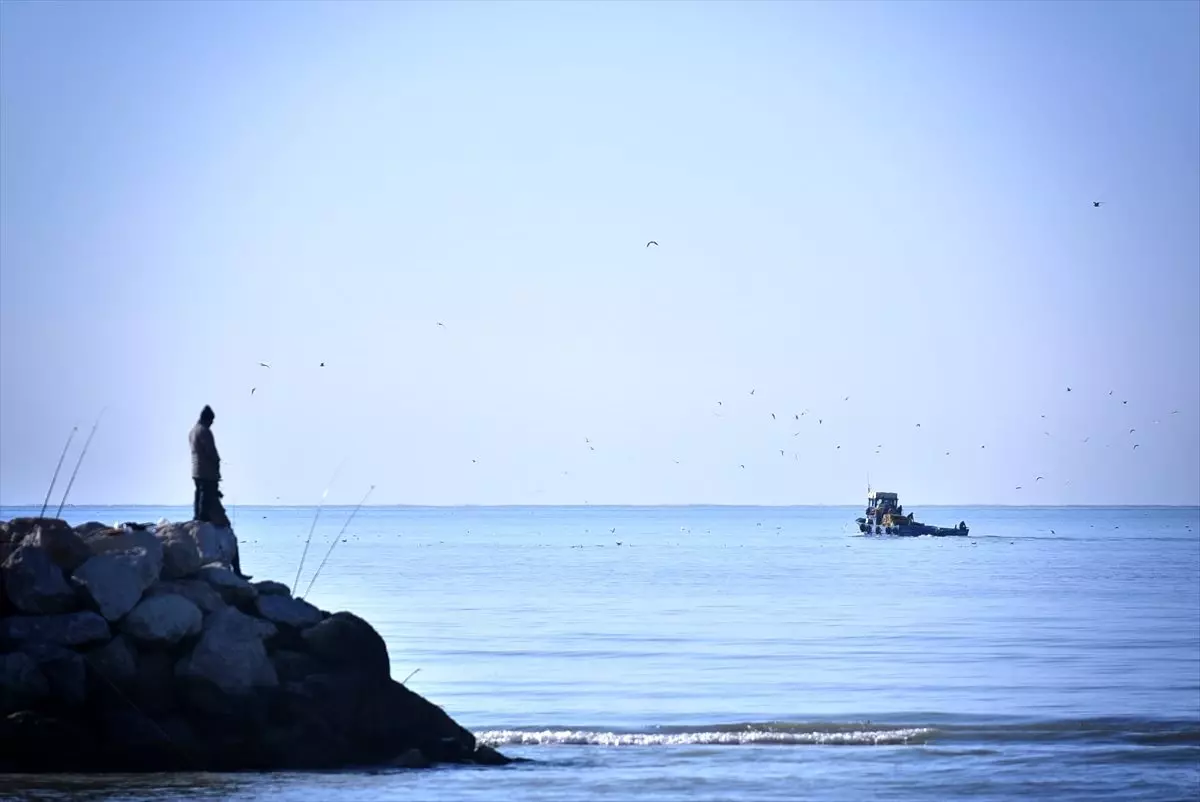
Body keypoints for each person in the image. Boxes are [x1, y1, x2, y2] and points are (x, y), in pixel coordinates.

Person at [189, 405, 249, 578]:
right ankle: (236, 571)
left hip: (196, 471)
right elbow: (212, 453)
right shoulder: (204, 432)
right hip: (206, 472)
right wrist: (217, 463)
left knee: (200, 494)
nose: (212, 424)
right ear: (208, 419)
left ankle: (198, 516)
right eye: (212, 420)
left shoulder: (192, 431)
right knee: (226, 528)